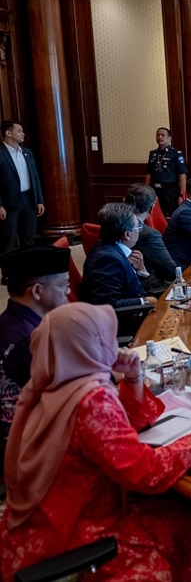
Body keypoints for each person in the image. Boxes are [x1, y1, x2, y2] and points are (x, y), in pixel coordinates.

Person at [0, 302, 191, 580]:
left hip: (35, 529)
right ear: (87, 345)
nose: (113, 343)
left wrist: (133, 378)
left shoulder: (49, 383)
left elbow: (111, 435)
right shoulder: (90, 400)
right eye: (104, 337)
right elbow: (146, 472)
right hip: (76, 538)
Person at [0, 246, 70, 443]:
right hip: (30, 441)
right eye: (64, 285)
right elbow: (63, 389)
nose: (69, 291)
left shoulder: (15, 321)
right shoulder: (26, 338)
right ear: (38, 291)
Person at [80, 203, 157, 309]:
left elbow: (130, 287)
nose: (139, 230)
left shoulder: (111, 248)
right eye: (137, 227)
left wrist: (139, 271)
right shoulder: (107, 260)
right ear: (127, 234)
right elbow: (107, 305)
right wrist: (143, 301)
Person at [0, 121, 45, 258]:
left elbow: (35, 178)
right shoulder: (1, 154)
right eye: (19, 131)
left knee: (29, 240)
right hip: (8, 204)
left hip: (29, 201)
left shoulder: (27, 153)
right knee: (8, 241)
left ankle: (28, 274)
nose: (23, 133)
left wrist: (39, 200)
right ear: (8, 133)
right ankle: (8, 276)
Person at [123, 184, 177, 291]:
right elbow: (170, 272)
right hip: (145, 287)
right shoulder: (149, 234)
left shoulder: (112, 224)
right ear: (152, 208)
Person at [143, 127, 187, 216]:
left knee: (174, 215)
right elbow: (149, 174)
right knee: (155, 215)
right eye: (158, 135)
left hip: (170, 190)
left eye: (163, 135)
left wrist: (182, 195)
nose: (160, 137)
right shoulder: (153, 154)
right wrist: (145, 191)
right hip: (155, 190)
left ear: (169, 138)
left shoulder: (175, 153)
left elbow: (182, 174)